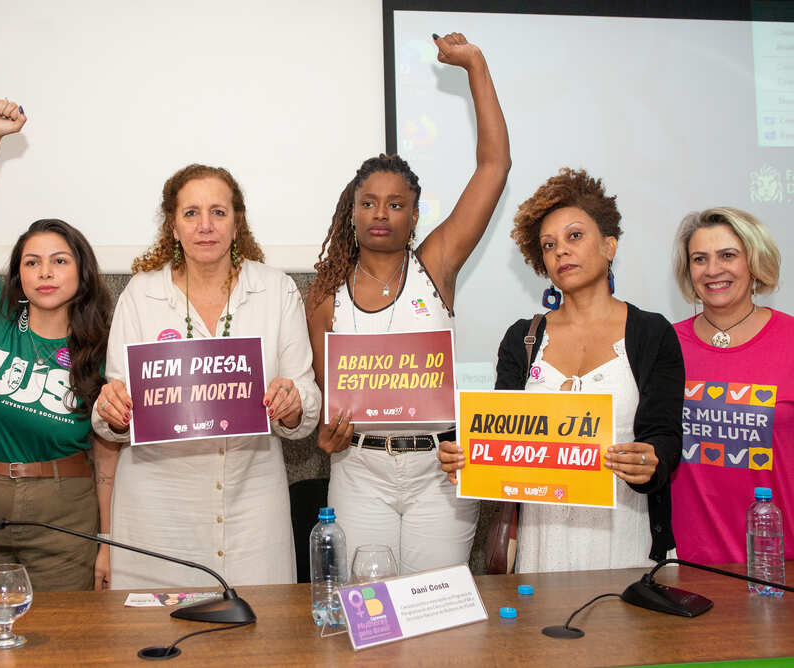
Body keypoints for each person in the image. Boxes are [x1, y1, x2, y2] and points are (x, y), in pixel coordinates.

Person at [306, 32, 510, 574]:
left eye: (396, 204)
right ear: (351, 212)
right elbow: (330, 401)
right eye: (368, 203)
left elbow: (494, 166)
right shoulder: (326, 293)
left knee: (437, 617)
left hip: (438, 468)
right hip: (361, 469)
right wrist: (326, 433)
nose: (381, 213)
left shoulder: (435, 266)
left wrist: (475, 67)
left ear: (414, 216)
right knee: (366, 616)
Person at [439, 168, 684, 572]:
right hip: (543, 541)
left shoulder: (652, 333)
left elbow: (666, 436)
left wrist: (652, 458)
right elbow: (500, 437)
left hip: (627, 536)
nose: (560, 251)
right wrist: (466, 456)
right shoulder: (523, 338)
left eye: (574, 236)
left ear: (609, 245)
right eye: (548, 245)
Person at [92, 164, 320, 588]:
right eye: (191, 213)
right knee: (154, 641)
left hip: (252, 505)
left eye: (218, 212)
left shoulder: (277, 290)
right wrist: (112, 408)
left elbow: (306, 395)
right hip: (157, 510)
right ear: (173, 226)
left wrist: (293, 404)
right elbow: (113, 404)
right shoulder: (141, 295)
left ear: (237, 223)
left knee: (258, 637)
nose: (205, 226)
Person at [0, 99, 116, 592]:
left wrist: (106, 539)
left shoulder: (104, 343)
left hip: (66, 510)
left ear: (81, 272)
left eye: (59, 261)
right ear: (17, 273)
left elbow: (107, 455)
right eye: (32, 261)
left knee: (62, 645)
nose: (44, 272)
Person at [669, 207, 792, 564]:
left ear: (753, 262)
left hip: (779, 564)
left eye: (727, 255)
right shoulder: (665, 346)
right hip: (683, 564)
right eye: (699, 259)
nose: (712, 270)